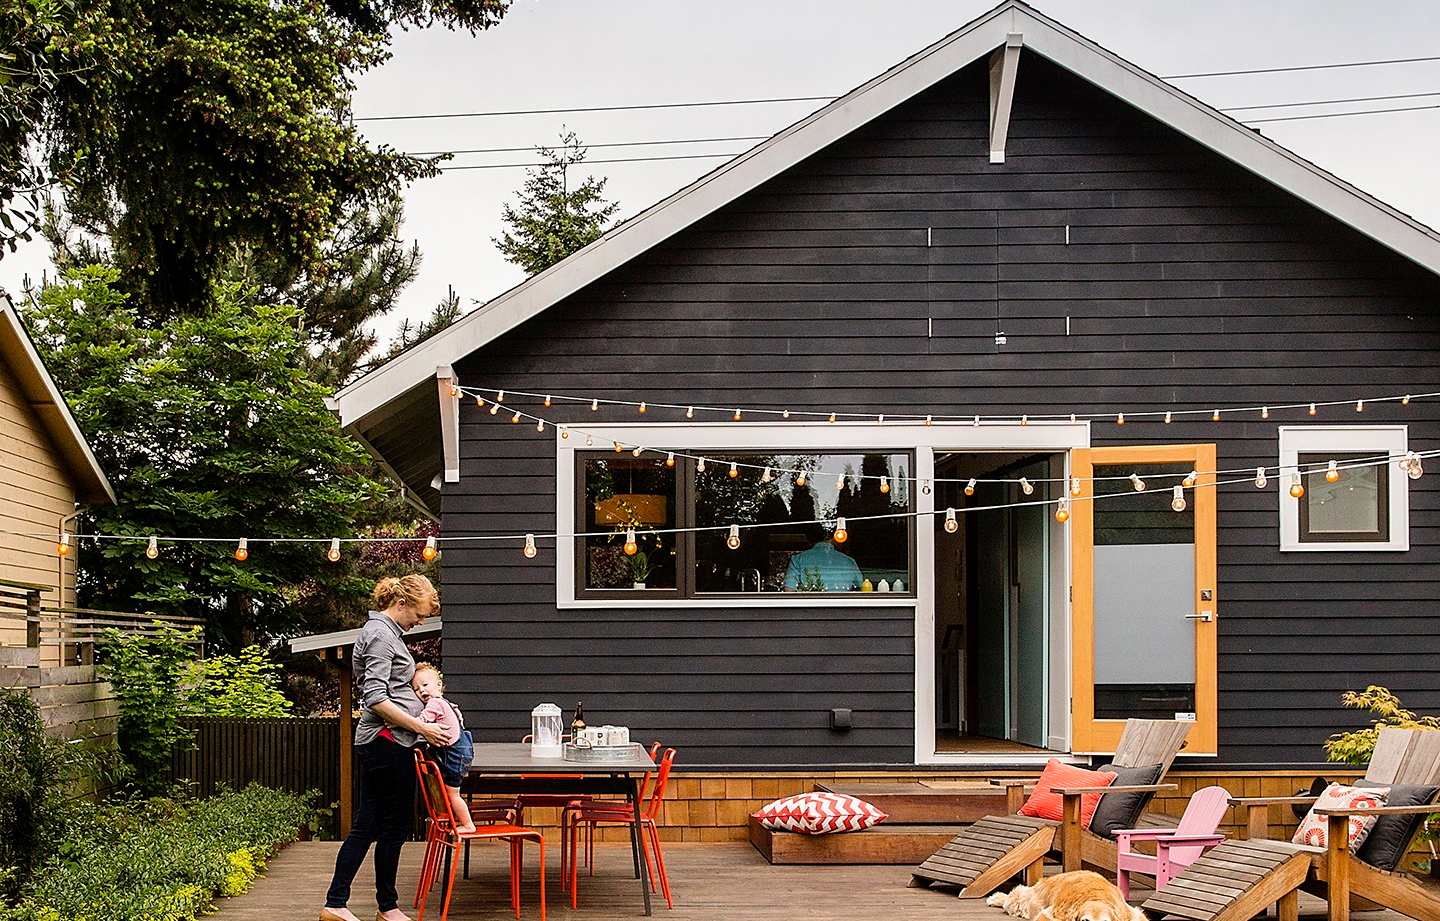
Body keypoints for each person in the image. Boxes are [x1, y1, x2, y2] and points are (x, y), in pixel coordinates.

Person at [320, 574, 451, 921]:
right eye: (419, 615)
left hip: (385, 741)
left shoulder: (386, 633)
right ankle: (384, 907)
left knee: (368, 824)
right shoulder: (380, 635)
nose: (420, 622)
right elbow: (376, 698)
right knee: (394, 826)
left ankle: (339, 904)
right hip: (386, 742)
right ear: (401, 603)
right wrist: (421, 727)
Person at [412, 662, 475, 833]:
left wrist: (399, 722)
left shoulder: (434, 704)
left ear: (439, 685)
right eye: (417, 689)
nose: (422, 691)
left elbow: (420, 722)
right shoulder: (448, 704)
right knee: (451, 793)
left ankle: (468, 825)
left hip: (454, 755)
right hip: (462, 752)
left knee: (452, 795)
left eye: (425, 685)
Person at [782, 526, 863, 591]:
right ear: (833, 538)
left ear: (808, 540)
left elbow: (789, 590)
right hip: (843, 606)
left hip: (809, 606)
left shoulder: (798, 559)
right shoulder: (849, 561)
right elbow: (863, 588)